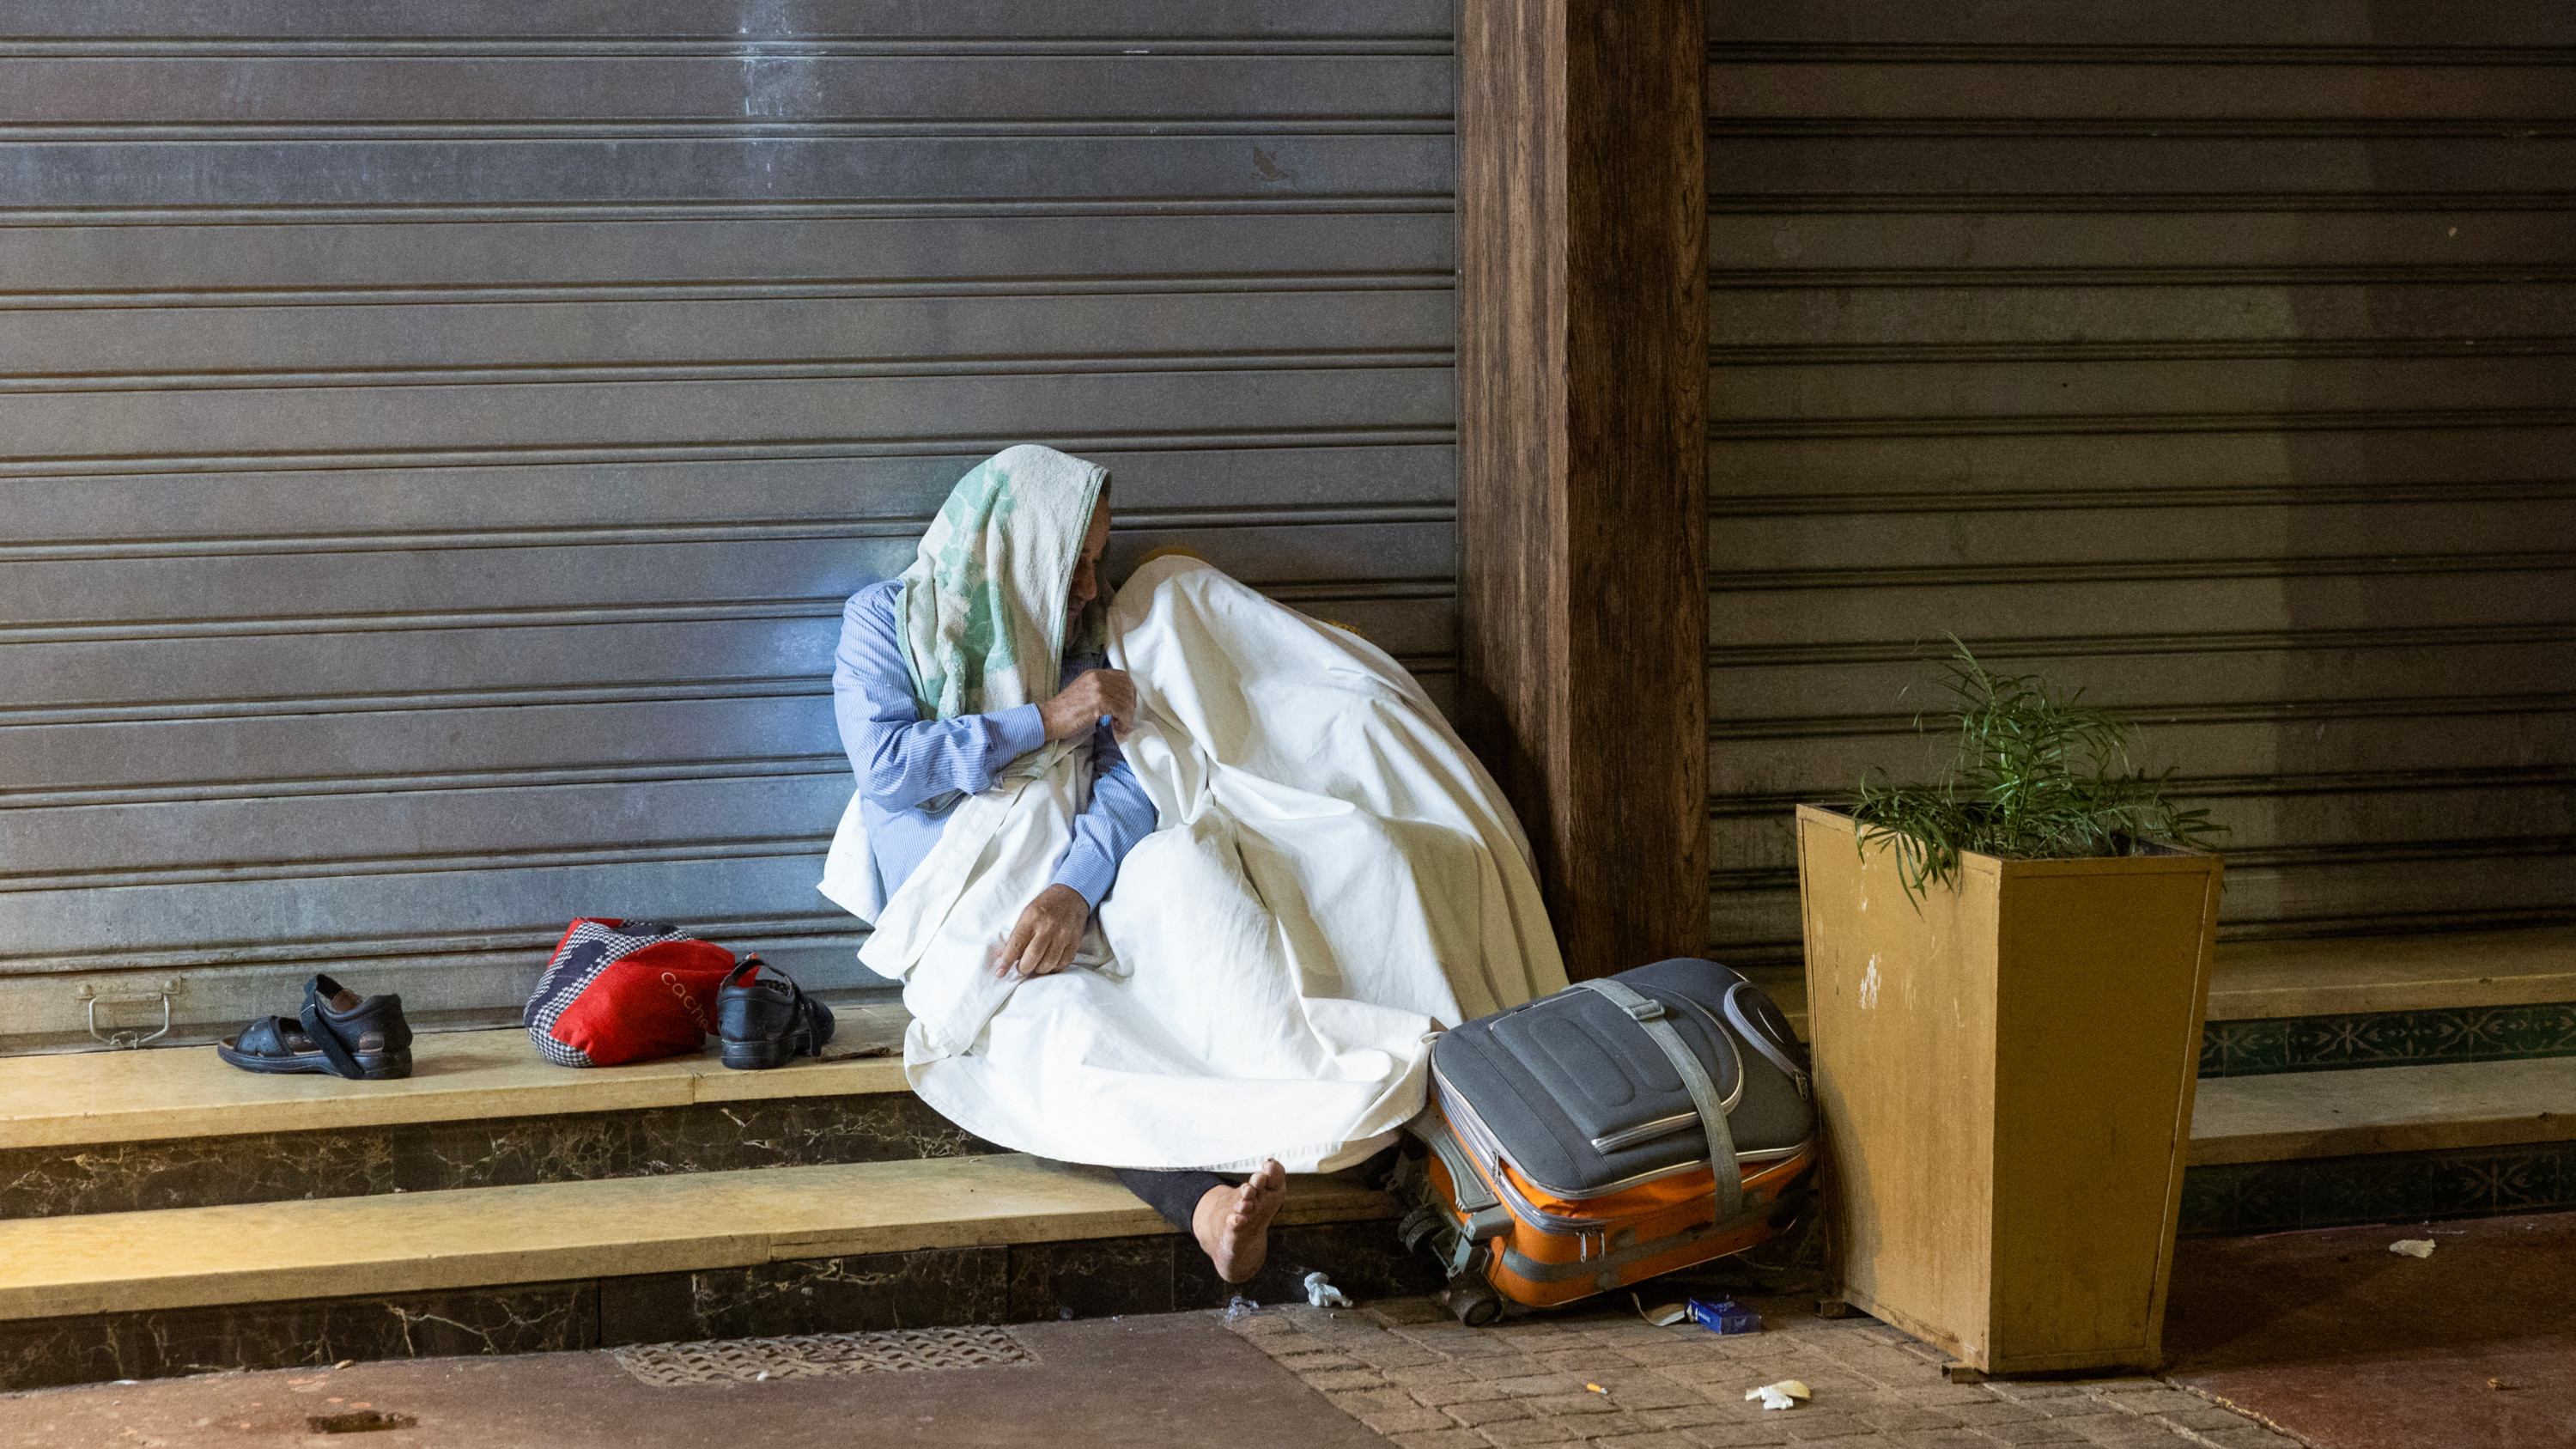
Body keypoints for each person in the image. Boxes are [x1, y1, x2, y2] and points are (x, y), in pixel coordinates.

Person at [831, 449, 1289, 1282]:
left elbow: (1128, 784)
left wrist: (1070, 889)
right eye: (1072, 561)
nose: (1087, 587)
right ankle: (1204, 1204)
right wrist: (1046, 718)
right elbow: (890, 768)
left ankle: (1300, 1124)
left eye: (1096, 563)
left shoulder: (1087, 643)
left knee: (1196, 948)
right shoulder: (884, 621)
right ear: (1012, 547)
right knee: (1058, 1024)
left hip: (1068, 883)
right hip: (960, 903)